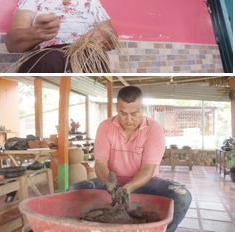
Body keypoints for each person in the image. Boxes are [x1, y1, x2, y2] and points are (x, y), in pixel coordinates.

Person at [67, 86, 191, 232]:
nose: (129, 119)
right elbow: (100, 164)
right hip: (113, 183)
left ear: (143, 109)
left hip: (147, 182)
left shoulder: (154, 129)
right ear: (117, 108)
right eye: (123, 113)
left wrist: (128, 188)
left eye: (134, 113)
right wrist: (108, 184)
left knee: (183, 198)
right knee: (73, 191)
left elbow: (147, 169)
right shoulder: (105, 127)